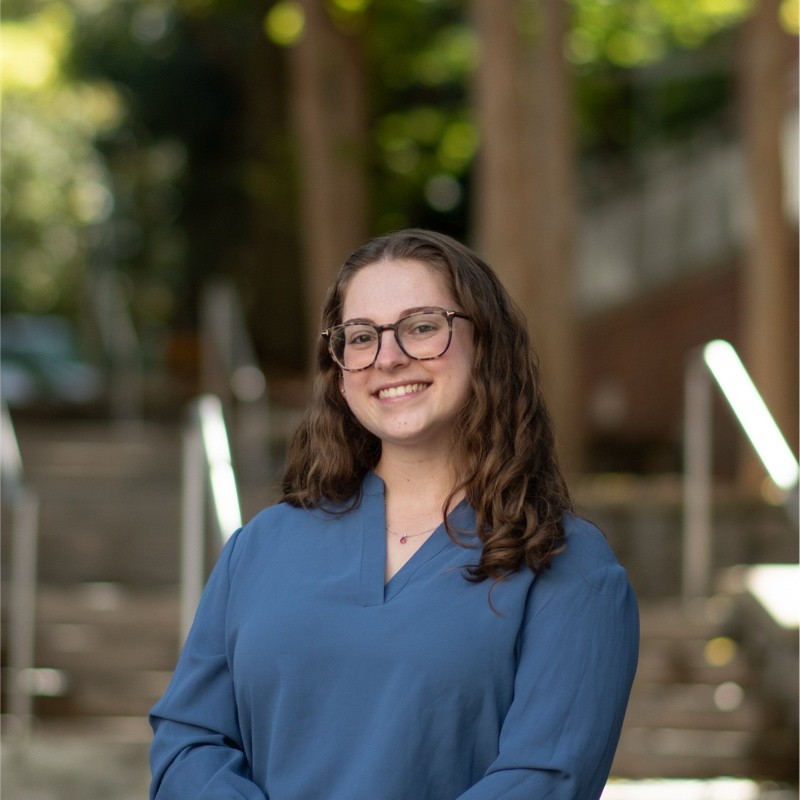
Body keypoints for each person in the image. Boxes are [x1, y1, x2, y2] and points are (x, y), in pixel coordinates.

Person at [149, 228, 639, 800]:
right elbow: (189, 743)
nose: (388, 357)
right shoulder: (259, 546)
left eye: (422, 326)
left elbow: (544, 779)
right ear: (339, 370)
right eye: (361, 337)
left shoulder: (568, 565)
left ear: (487, 345)